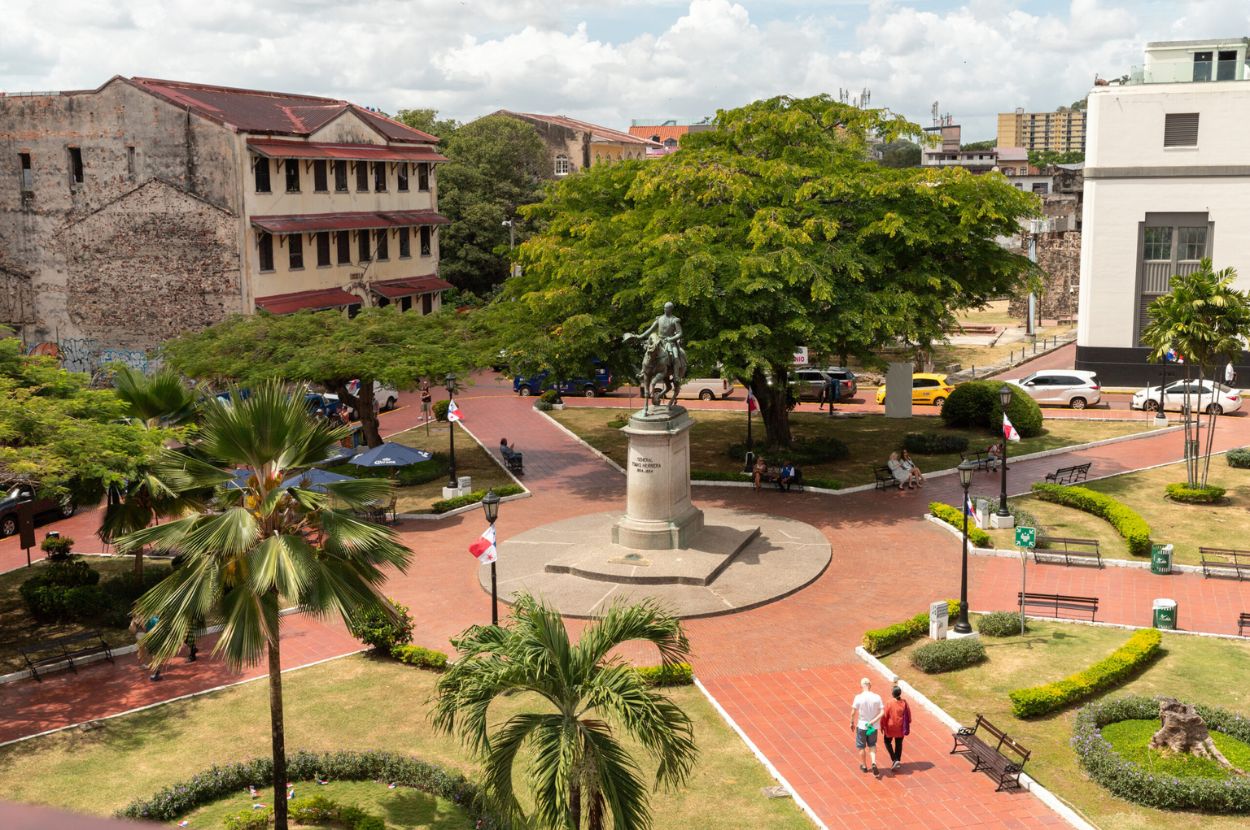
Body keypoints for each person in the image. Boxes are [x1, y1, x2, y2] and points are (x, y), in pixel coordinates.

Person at [850, 677, 884, 775]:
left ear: (861, 686)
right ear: (870, 685)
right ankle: (873, 762)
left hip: (862, 726)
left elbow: (853, 712)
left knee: (861, 746)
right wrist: (873, 721)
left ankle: (864, 766)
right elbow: (882, 712)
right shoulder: (877, 697)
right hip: (872, 727)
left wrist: (851, 722)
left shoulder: (858, 697)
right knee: (872, 745)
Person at [880, 685, 912, 770]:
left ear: (892, 694)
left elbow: (884, 715)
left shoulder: (889, 703)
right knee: (899, 744)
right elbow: (908, 715)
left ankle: (894, 759)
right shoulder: (904, 703)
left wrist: (882, 725)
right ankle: (897, 759)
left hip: (890, 727)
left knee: (887, 742)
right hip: (901, 727)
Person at [131, 614, 162, 681]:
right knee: (155, 655)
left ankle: (156, 674)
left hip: (151, 638)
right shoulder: (155, 618)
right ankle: (157, 672)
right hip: (157, 637)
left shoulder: (147, 619)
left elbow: (145, 629)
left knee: (153, 655)